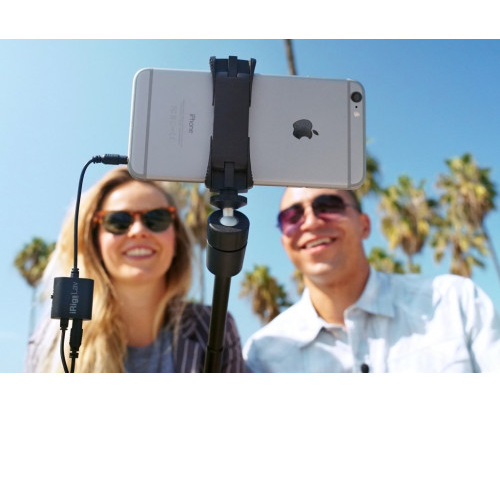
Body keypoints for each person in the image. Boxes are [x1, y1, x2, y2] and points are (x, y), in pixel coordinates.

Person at [243, 186, 500, 372]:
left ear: (364, 225)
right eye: (291, 217)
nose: (310, 222)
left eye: (328, 206)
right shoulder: (262, 354)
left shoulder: (454, 303)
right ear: (284, 242)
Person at [26, 167, 245, 372]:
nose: (138, 231)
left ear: (176, 239)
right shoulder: (51, 340)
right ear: (95, 241)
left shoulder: (215, 329)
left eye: (156, 218)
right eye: (118, 221)